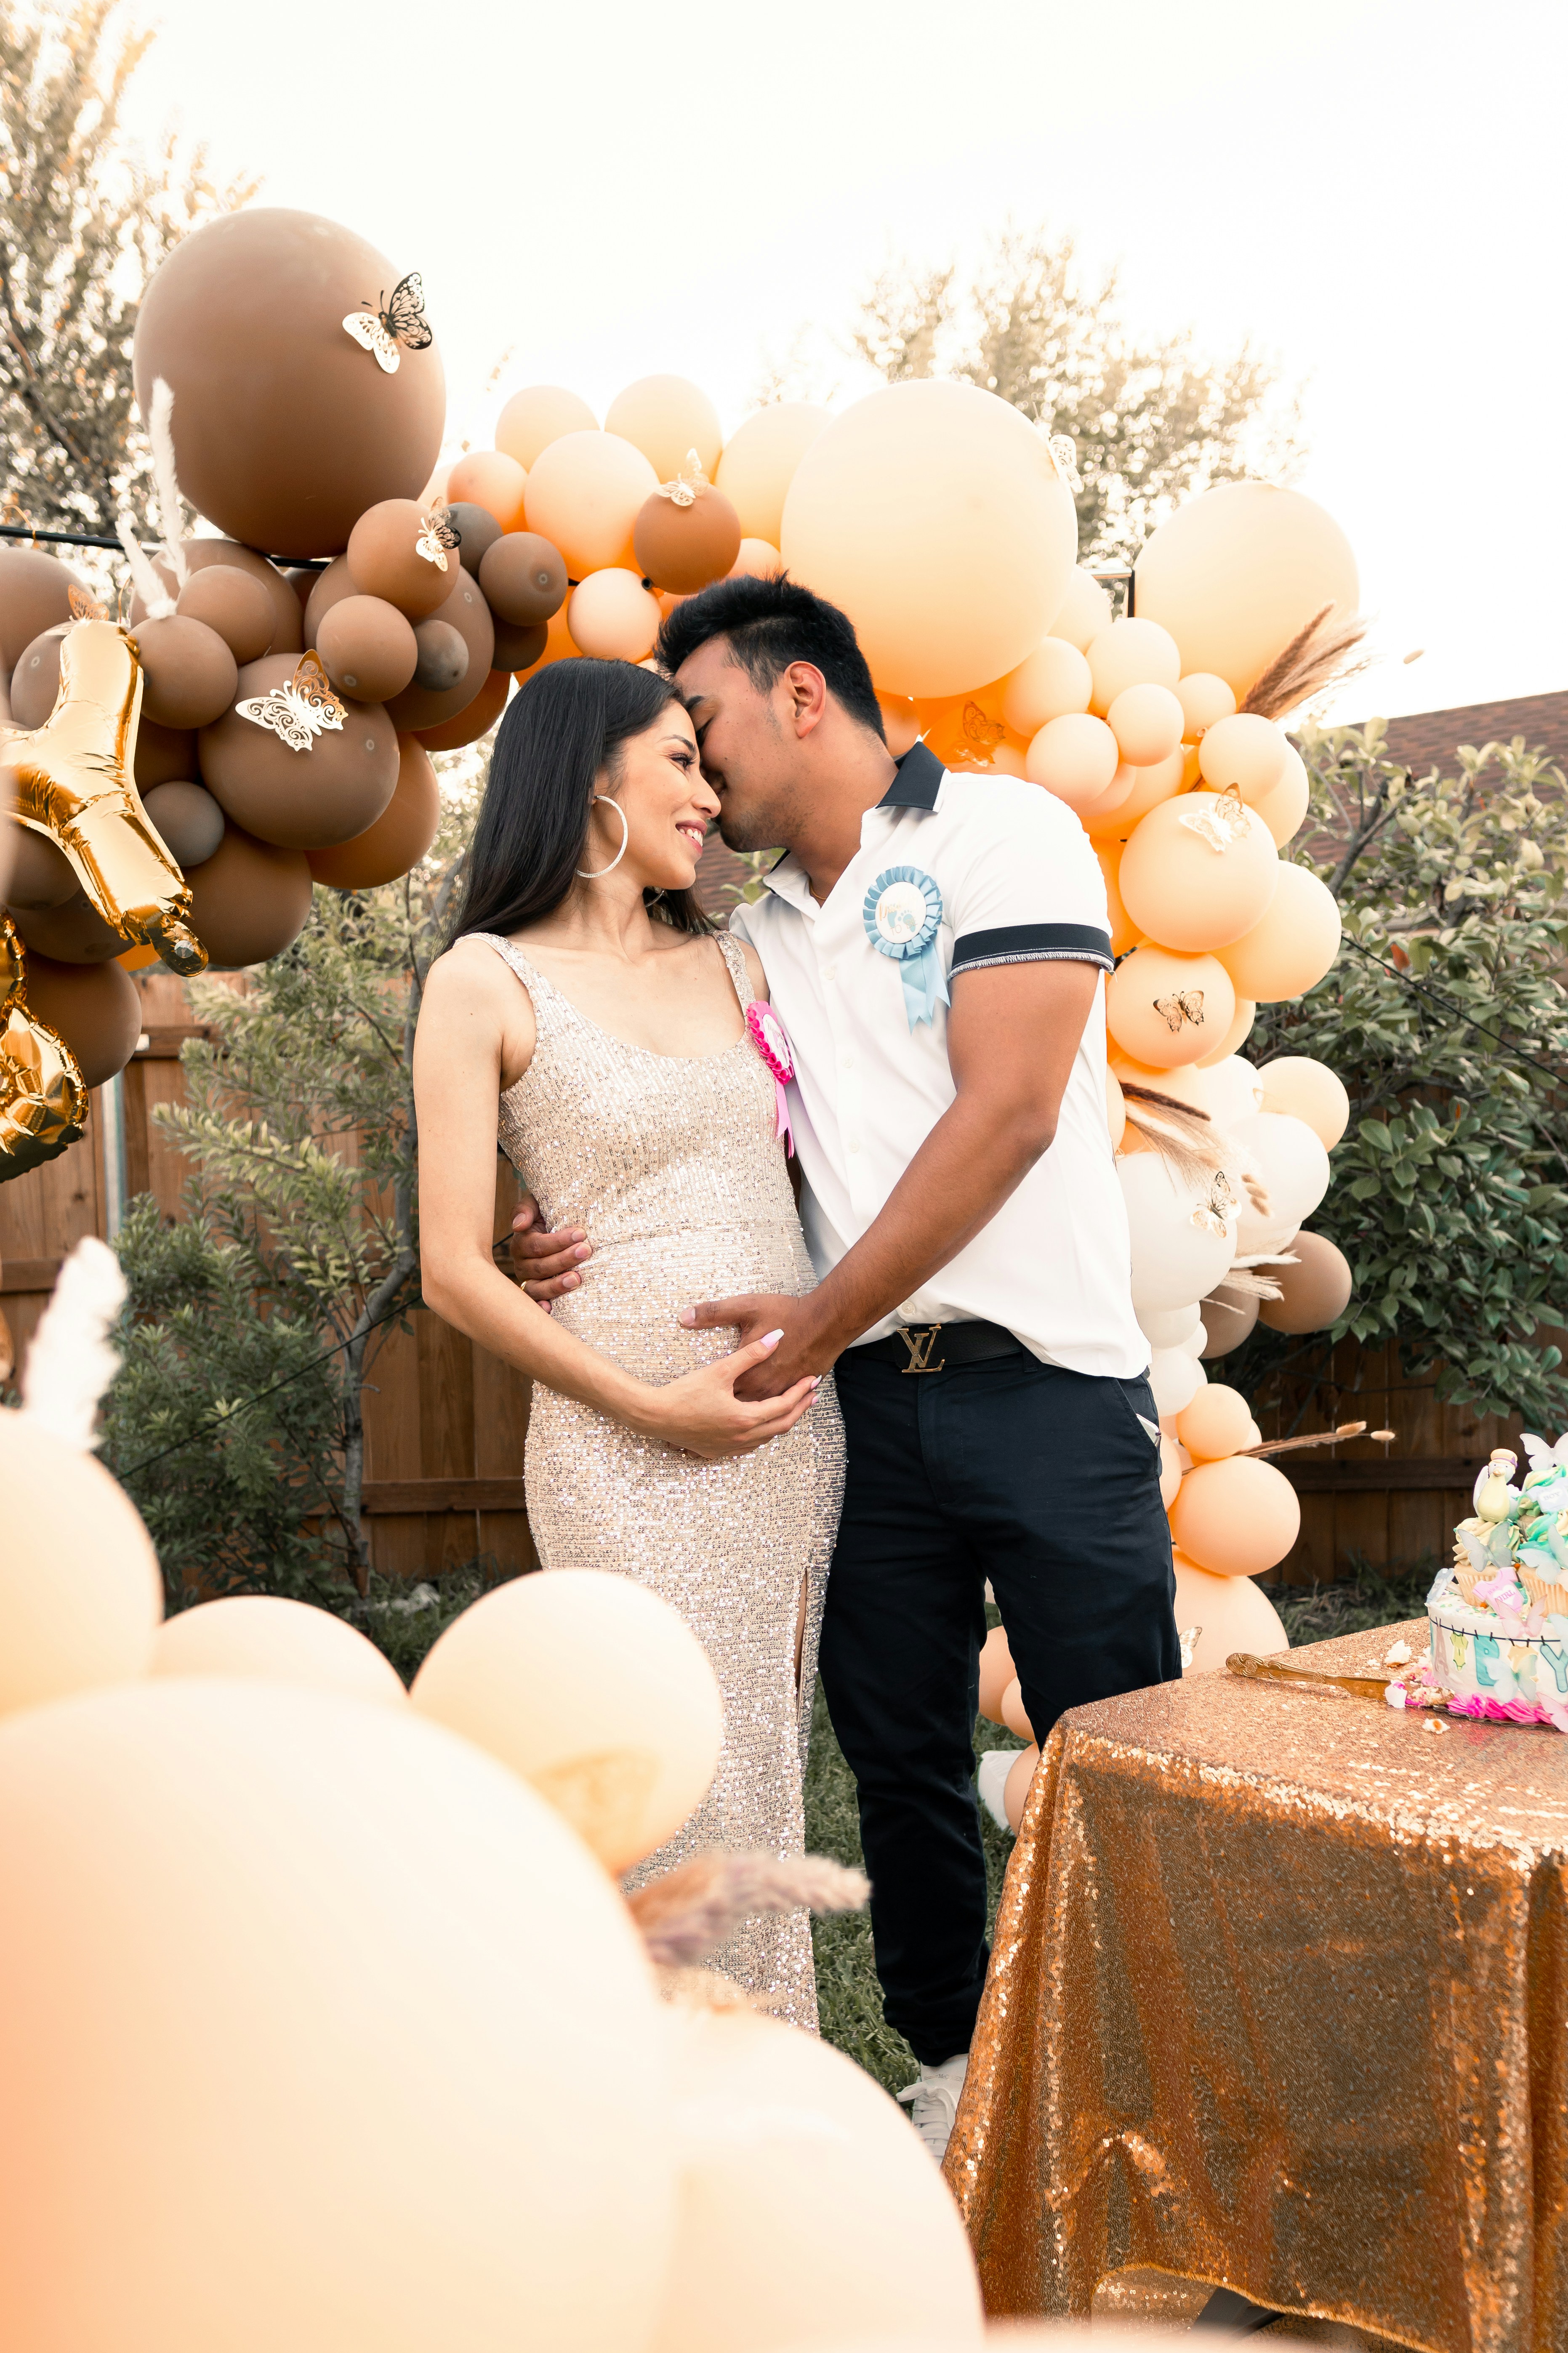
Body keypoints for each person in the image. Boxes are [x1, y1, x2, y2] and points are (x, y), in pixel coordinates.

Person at [513, 574, 1180, 2160]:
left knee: (1127, 1762)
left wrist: (806, 1321)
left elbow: (1007, 1115)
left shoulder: (1008, 835)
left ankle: (1161, 2114)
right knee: (900, 1761)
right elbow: (635, 1086)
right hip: (867, 1418)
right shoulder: (741, 941)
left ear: (802, 695)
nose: (695, 761)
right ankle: (961, 2082)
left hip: (1051, 1385)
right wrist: (546, 1215)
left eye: (708, 723)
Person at [413, 657, 845, 2029]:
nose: (710, 796)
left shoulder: (745, 957)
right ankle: (627, 2085)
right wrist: (652, 1408)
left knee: (761, 1766)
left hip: (786, 1441)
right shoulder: (481, 980)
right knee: (654, 1773)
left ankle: (767, 2079)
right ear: (590, 772)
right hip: (621, 1446)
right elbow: (451, 1269)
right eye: (681, 762)